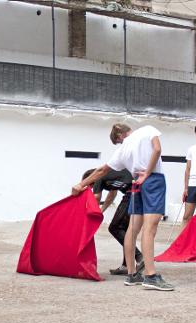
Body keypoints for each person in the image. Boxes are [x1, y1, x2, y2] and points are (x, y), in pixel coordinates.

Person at [72, 123, 174, 291]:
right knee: (150, 228)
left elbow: (102, 170)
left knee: (132, 229)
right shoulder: (148, 130)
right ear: (127, 130)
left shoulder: (122, 150)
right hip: (153, 180)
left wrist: (80, 184)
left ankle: (132, 275)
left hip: (135, 183)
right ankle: (150, 275)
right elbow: (157, 150)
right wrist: (147, 173)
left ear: (120, 136)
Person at [82, 168, 144, 275]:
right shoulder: (109, 175)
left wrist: (91, 216)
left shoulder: (97, 177)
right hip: (140, 191)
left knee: (114, 228)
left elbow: (96, 198)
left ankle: (139, 256)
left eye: (90, 187)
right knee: (124, 230)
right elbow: (112, 195)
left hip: (133, 192)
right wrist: (101, 211)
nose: (91, 189)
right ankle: (126, 265)